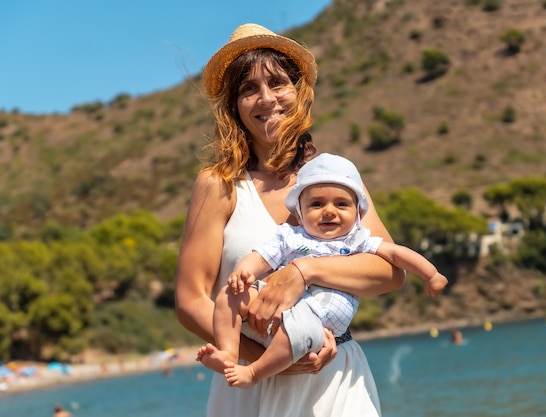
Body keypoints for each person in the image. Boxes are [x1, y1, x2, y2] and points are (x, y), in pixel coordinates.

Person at [175, 23, 405, 417]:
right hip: (248, 383)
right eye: (249, 88)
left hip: (335, 378)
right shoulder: (218, 184)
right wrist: (263, 358)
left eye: (278, 83)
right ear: (234, 106)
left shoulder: (335, 177)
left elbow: (390, 271)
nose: (266, 98)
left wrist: (303, 271)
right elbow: (191, 299)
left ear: (300, 93)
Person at [196, 153, 448, 388]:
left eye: (341, 204)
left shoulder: (357, 240)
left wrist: (431, 274)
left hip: (319, 314)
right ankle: (228, 352)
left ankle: (254, 372)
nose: (329, 211)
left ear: (358, 212)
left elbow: (396, 254)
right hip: (279, 305)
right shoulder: (291, 235)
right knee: (229, 295)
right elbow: (261, 256)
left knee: (297, 331)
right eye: (317, 204)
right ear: (300, 212)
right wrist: (244, 273)